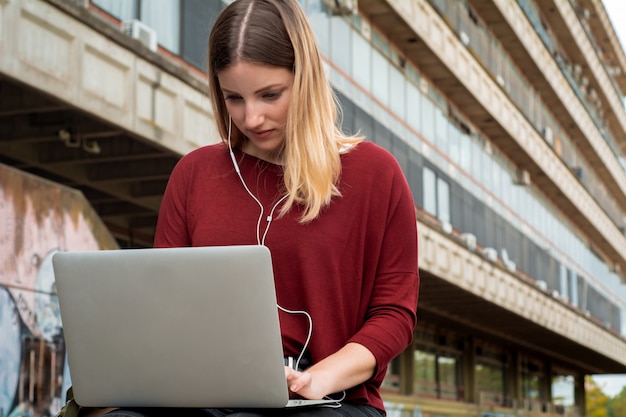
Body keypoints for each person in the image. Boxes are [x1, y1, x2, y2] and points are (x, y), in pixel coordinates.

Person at [104, 0, 418, 416]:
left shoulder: (377, 174)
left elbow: (394, 313)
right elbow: (171, 306)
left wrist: (317, 378)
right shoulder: (193, 175)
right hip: (209, 393)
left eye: (270, 95)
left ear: (305, 78)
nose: (251, 118)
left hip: (330, 398)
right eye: (234, 98)